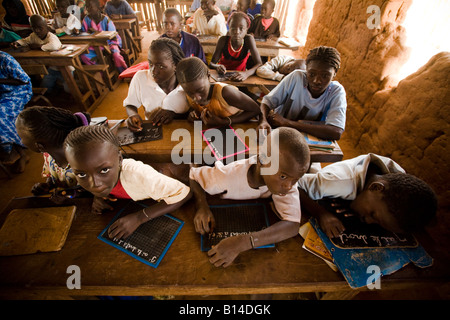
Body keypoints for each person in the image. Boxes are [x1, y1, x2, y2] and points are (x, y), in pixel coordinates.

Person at [189, 127, 310, 267]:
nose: (289, 186)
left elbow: (292, 225)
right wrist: (202, 206)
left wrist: (244, 242)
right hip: (224, 163)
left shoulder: (285, 180)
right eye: (283, 176)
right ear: (262, 162)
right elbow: (194, 175)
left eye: (296, 179)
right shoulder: (225, 177)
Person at [64, 125, 192, 239]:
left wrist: (139, 217)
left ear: (119, 159)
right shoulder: (101, 179)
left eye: (104, 170)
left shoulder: (139, 175)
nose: (94, 184)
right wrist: (98, 196)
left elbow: (184, 193)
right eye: (81, 174)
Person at [298, 153, 438, 238]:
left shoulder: (397, 178)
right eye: (373, 214)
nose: (368, 221)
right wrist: (320, 213)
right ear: (376, 187)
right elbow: (292, 184)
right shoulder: (334, 183)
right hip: (323, 183)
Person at [258, 46, 346, 141]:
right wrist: (263, 120)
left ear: (335, 73)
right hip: (280, 133)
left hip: (310, 141)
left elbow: (336, 132)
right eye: (311, 74)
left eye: (325, 76)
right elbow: (267, 102)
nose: (317, 81)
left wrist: (287, 123)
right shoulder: (296, 77)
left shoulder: (336, 91)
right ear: (306, 69)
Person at [15, 106, 90, 196]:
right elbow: (53, 175)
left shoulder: (84, 163)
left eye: (21, 138)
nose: (21, 141)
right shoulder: (48, 156)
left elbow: (95, 193)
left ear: (39, 146)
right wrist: (48, 185)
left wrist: (68, 195)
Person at [124, 37, 189, 129]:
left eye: (161, 66)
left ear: (175, 65)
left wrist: (174, 115)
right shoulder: (140, 78)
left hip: (184, 132)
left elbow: (196, 112)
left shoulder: (187, 82)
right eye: (150, 64)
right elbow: (130, 103)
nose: (153, 71)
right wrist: (132, 115)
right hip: (154, 131)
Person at [176, 56, 260, 126]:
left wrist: (225, 122)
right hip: (214, 134)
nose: (196, 98)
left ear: (208, 76)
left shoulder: (225, 92)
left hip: (241, 129)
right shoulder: (188, 91)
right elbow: (198, 109)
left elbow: (256, 109)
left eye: (200, 90)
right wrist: (193, 115)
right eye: (190, 93)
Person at [0, 51, 32, 173]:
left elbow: (24, 81)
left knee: (2, 115)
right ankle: (7, 149)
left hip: (17, 91)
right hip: (2, 94)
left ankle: (20, 152)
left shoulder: (5, 59)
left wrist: (1, 81)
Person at [209, 11, 262, 82]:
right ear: (229, 28)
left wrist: (246, 73)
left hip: (240, 78)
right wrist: (217, 66)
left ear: (247, 29)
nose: (237, 31)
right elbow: (211, 63)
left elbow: (259, 64)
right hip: (223, 78)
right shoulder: (223, 40)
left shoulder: (248, 40)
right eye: (233, 28)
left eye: (241, 28)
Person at [80, 0, 128, 73]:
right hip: (94, 46)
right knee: (84, 56)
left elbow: (112, 35)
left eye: (91, 7)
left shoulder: (106, 19)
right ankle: (102, 73)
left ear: (98, 8)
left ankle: (124, 72)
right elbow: (83, 34)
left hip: (110, 43)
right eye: (87, 7)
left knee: (116, 55)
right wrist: (82, 32)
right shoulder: (86, 19)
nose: (88, 9)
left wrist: (97, 33)